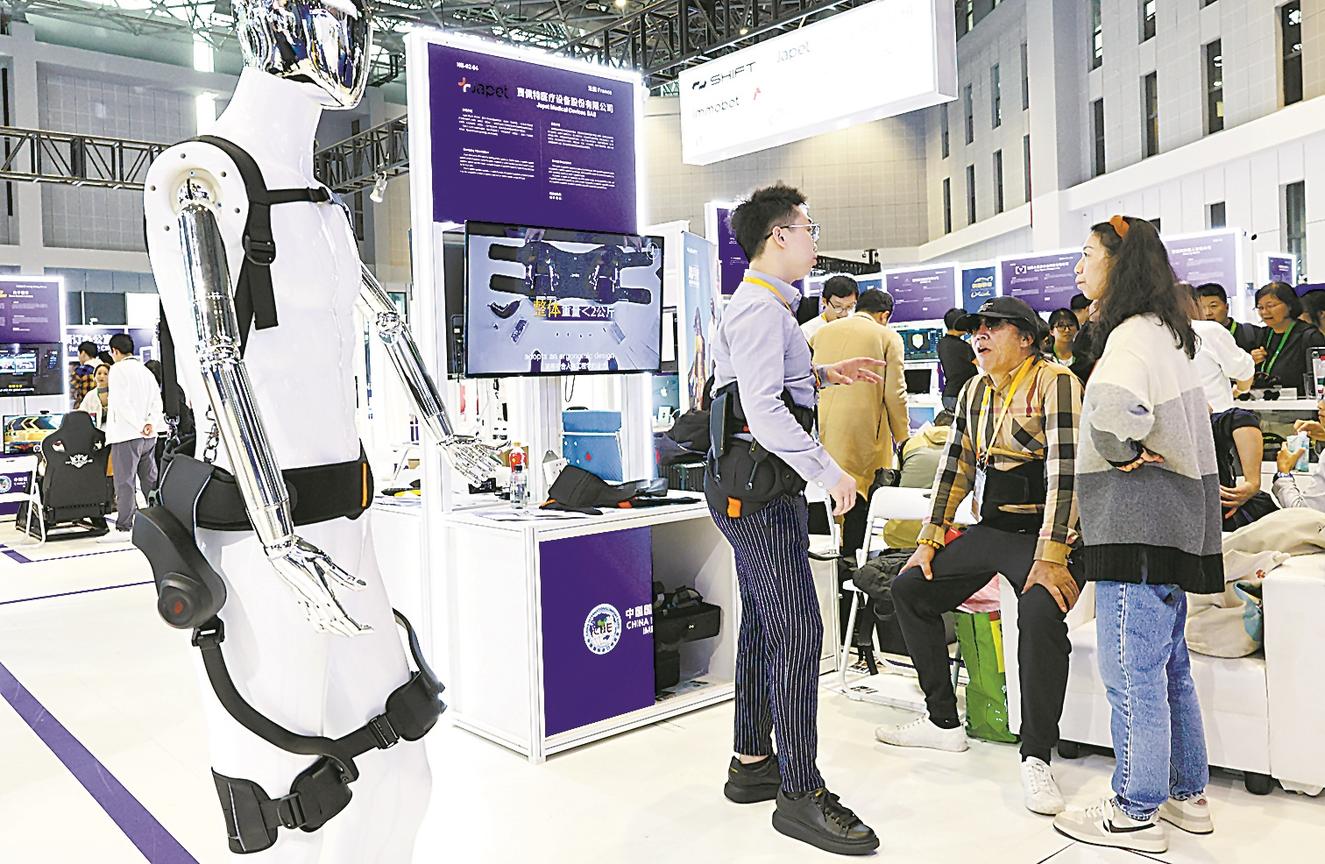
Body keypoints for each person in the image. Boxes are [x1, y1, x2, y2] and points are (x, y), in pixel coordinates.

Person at [708, 183, 880, 855]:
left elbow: (761, 387)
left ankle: (752, 761)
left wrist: (825, 375)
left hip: (748, 488)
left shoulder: (767, 306)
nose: (814, 240)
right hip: (759, 494)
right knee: (800, 630)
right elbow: (762, 411)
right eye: (809, 228)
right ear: (779, 235)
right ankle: (800, 793)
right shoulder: (760, 309)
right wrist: (830, 472)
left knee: (765, 623)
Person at [875, 296, 1085, 817]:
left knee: (1039, 612)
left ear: (1027, 339)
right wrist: (929, 539)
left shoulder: (1055, 382)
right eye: (977, 328)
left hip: (1048, 535)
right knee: (910, 588)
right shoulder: (974, 389)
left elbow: (1068, 472)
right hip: (994, 527)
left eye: (994, 327)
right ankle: (942, 721)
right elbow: (955, 467)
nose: (980, 335)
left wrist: (1053, 555)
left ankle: (1036, 753)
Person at [1053, 215, 1223, 854]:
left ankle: (1134, 810)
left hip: (1136, 524)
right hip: (1174, 522)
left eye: (1087, 254)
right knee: (1169, 668)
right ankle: (1186, 795)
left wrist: (1120, 452)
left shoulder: (1127, 337)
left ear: (1118, 263)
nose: (1079, 267)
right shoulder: (1168, 334)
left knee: (1132, 673)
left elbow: (1111, 409)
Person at [810, 288, 909, 559]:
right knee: (861, 495)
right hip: (865, 430)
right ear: (884, 315)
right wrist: (903, 438)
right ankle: (853, 561)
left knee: (828, 492)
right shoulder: (888, 336)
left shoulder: (821, 333)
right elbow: (895, 393)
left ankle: (832, 564)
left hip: (825, 428)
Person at [100, 333, 164, 543]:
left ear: (115, 351)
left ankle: (124, 526)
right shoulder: (145, 371)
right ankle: (159, 520)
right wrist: (149, 423)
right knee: (149, 479)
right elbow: (157, 401)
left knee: (125, 482)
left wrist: (138, 425)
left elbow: (121, 403)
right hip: (148, 436)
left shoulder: (118, 370)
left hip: (126, 435)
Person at [1251, 281, 1325, 393]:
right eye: (1260, 307)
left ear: (1290, 305)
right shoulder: (1262, 334)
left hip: (1302, 401)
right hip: (1266, 401)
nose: (1264, 312)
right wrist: (1251, 361)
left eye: (1271, 306)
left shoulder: (1309, 336)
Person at [1195, 283, 1260, 353]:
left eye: (1213, 306)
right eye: (1201, 308)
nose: (1207, 313)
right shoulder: (1194, 338)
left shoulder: (1251, 334)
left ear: (1227, 307)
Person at [937, 307, 977, 412]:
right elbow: (983, 363)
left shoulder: (942, 343)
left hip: (949, 394)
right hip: (962, 394)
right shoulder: (962, 346)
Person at [801, 275, 858, 342]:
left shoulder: (859, 325)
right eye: (838, 306)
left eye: (849, 306)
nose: (844, 314)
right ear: (824, 301)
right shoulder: (807, 332)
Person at [78, 363, 111, 429]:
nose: (102, 376)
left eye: (105, 374)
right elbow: (82, 412)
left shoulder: (115, 393)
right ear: (94, 377)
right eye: (99, 373)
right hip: (95, 430)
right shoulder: (90, 395)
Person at [70, 340, 99, 410]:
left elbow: (70, 390)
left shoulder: (81, 371)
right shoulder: (105, 368)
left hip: (84, 409)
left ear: (83, 353)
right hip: (101, 409)